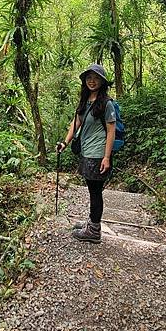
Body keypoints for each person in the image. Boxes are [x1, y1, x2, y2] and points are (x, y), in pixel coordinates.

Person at [57, 64, 116, 243]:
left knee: (95, 191)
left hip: (98, 154)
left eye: (96, 78)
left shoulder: (106, 103)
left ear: (102, 81)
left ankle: (94, 230)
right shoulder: (85, 101)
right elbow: (75, 124)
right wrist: (64, 143)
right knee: (92, 190)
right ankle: (92, 222)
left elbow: (111, 131)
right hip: (87, 152)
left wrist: (106, 157)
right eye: (89, 77)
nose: (92, 81)